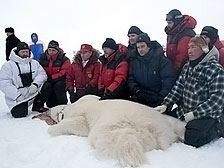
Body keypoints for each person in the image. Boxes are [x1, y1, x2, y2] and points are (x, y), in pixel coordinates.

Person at [154, 36, 224, 148]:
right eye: (188, 47)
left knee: (192, 137)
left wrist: (195, 114)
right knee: (163, 121)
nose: (189, 51)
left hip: (207, 114)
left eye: (193, 47)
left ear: (203, 49)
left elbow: (217, 100)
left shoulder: (215, 70)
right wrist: (166, 104)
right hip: (186, 110)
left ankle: (218, 128)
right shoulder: (187, 66)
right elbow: (178, 87)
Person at [127, 33, 176, 107]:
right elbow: (131, 78)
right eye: (138, 47)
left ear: (149, 46)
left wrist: (161, 97)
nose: (140, 50)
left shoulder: (161, 60)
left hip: (157, 99)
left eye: (143, 46)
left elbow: (168, 80)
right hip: (139, 98)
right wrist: (137, 91)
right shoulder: (134, 61)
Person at [0, 42, 47, 118]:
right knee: (19, 114)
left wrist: (35, 84)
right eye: (22, 52)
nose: (25, 53)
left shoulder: (35, 63)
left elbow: (42, 74)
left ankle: (37, 105)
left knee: (47, 85)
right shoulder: (8, 65)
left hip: (33, 92)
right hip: (18, 98)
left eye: (26, 51)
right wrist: (17, 96)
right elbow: (4, 83)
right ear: (17, 52)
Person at [32, 40, 70, 111]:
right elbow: (39, 70)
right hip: (47, 80)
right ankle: (38, 105)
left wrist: (52, 78)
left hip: (59, 80)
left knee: (59, 85)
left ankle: (62, 104)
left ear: (57, 51)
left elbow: (64, 72)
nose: (51, 52)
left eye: (53, 50)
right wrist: (45, 78)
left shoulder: (64, 59)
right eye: (50, 50)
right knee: (46, 87)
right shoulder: (42, 58)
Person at [165, 9, 197, 75]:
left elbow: (182, 58)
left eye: (170, 23)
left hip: (182, 72)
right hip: (172, 68)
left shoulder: (185, 34)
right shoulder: (172, 33)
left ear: (176, 22)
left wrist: (173, 72)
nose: (168, 25)